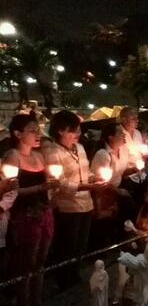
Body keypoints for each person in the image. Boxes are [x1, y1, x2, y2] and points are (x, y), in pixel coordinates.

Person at [4, 114, 59, 306]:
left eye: (38, 129)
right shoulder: (13, 156)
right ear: (18, 133)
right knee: (27, 259)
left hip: (43, 211)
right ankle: (23, 301)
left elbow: (47, 184)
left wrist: (53, 186)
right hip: (25, 215)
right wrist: (41, 188)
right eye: (32, 130)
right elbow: (10, 190)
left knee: (42, 257)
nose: (38, 134)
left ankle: (38, 298)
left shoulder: (38, 155)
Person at [45, 110, 105, 289]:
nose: (78, 133)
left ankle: (75, 275)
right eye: (74, 130)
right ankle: (64, 280)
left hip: (86, 203)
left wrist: (95, 178)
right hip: (67, 206)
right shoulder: (53, 152)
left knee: (80, 244)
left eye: (78, 129)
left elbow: (85, 172)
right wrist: (87, 186)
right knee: (67, 245)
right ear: (60, 130)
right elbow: (59, 183)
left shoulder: (79, 148)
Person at [90, 123, 135, 246]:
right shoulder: (103, 154)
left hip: (115, 189)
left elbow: (121, 171)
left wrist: (136, 168)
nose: (124, 135)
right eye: (120, 132)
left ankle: (122, 241)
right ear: (111, 137)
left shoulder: (123, 151)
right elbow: (98, 180)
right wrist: (119, 191)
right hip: (103, 192)